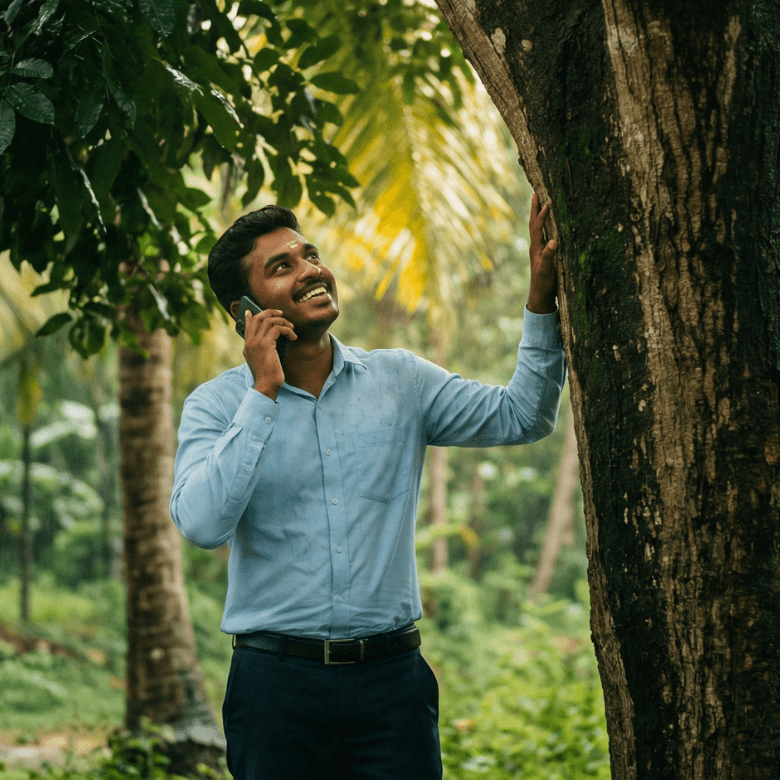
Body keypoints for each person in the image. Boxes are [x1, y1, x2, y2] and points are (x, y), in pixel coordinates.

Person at [170, 194, 566, 780]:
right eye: (282, 267)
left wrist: (540, 296)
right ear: (245, 309)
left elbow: (523, 416)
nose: (311, 270)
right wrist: (262, 395)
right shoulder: (216, 406)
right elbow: (202, 525)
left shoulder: (401, 380)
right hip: (274, 691)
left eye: (310, 255)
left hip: (391, 690)